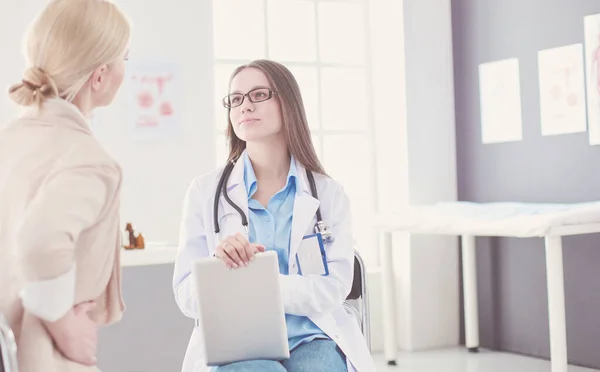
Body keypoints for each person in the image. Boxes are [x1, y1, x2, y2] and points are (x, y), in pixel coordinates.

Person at [173, 59, 374, 372]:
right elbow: (186, 295)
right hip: (238, 342)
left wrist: (263, 286)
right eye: (236, 99)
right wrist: (219, 268)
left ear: (288, 103)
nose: (244, 106)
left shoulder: (328, 194)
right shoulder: (204, 192)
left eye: (258, 95)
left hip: (313, 335)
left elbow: (335, 287)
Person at [0, 0, 131, 371]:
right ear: (101, 76)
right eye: (125, 58)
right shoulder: (89, 159)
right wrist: (63, 323)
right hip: (41, 355)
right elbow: (40, 244)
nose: (126, 69)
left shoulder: (8, 140)